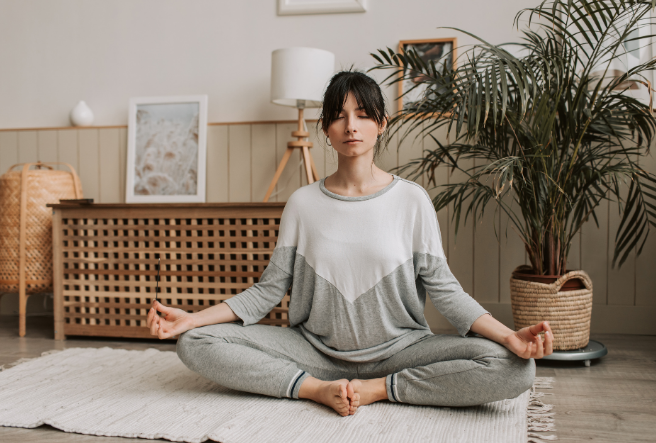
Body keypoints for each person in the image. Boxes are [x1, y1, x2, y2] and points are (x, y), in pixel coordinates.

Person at [146, 70, 553, 417]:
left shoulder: (411, 200)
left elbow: (445, 290)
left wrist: (508, 337)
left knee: (516, 369)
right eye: (339, 117)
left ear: (382, 123)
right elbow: (268, 290)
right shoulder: (303, 203)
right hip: (314, 352)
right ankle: (314, 389)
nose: (351, 126)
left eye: (362, 115)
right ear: (326, 129)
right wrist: (194, 318)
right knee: (195, 343)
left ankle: (381, 388)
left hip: (402, 350)